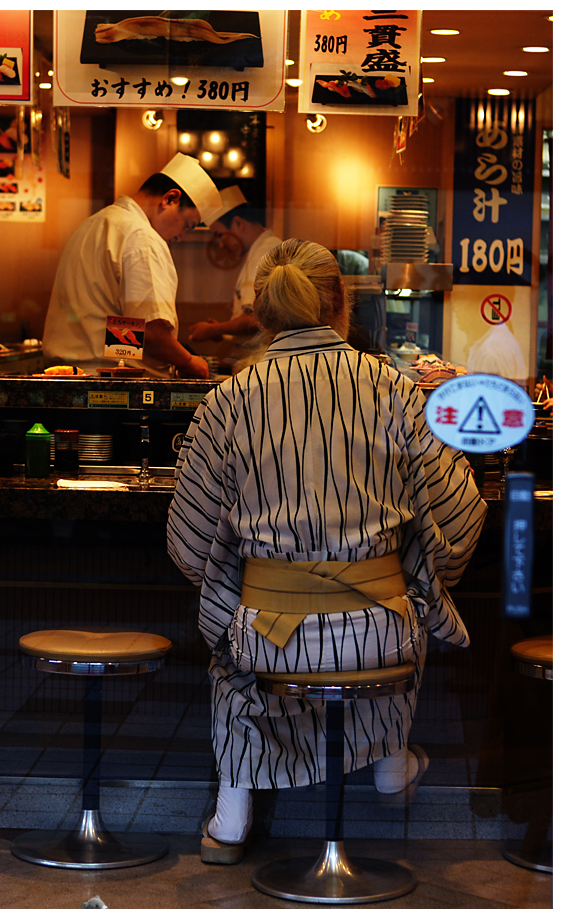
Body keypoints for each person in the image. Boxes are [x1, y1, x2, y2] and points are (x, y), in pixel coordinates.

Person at [167, 238, 487, 864]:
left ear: (259, 313)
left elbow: (187, 546)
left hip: (269, 635)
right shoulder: (395, 392)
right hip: (381, 633)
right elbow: (458, 515)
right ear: (343, 304)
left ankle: (231, 819)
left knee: (235, 649)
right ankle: (391, 765)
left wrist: (254, 568)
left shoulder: (227, 401)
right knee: (398, 611)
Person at [42, 152, 222, 378]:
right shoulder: (141, 237)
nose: (181, 237)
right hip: (112, 383)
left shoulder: (95, 223)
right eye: (187, 225)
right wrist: (188, 361)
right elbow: (151, 333)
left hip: (73, 375)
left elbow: (113, 325)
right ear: (169, 199)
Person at [188, 185, 281, 345]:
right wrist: (223, 331)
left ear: (238, 223)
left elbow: (254, 319)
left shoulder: (265, 251)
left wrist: (214, 330)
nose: (222, 245)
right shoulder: (258, 250)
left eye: (220, 235)